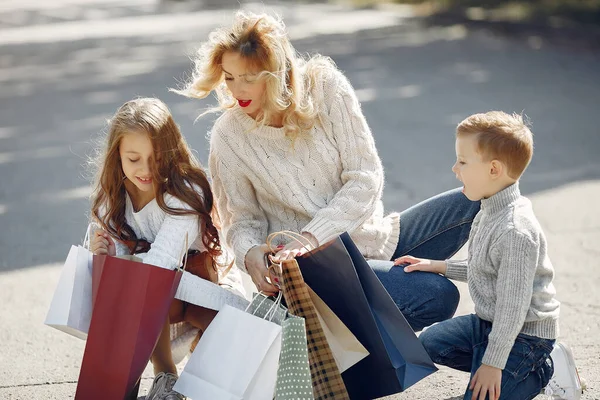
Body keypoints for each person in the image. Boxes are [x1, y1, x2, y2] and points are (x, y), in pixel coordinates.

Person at [175, 10, 480, 332]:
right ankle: (342, 336)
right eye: (229, 77)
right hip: (309, 270)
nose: (237, 90)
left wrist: (313, 236)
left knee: (475, 198)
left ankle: (511, 333)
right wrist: (250, 252)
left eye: (249, 78)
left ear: (276, 72)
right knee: (438, 295)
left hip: (368, 239)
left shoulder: (325, 86)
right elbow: (241, 219)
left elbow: (365, 175)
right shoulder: (229, 134)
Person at [399, 111, 581, 400]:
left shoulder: (515, 231)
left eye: (462, 161)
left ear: (493, 170)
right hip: (490, 323)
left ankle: (542, 369)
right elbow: (487, 268)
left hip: (526, 335)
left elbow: (512, 308)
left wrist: (492, 364)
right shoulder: (489, 208)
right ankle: (512, 373)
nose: (454, 169)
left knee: (483, 392)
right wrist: (439, 266)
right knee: (432, 343)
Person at [88, 97, 243, 400]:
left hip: (204, 291)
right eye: (133, 159)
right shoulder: (113, 198)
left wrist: (124, 263)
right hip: (158, 300)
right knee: (130, 282)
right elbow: (121, 268)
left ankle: (175, 379)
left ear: (170, 152)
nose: (146, 170)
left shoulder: (184, 192)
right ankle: (152, 381)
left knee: (222, 380)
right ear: (116, 155)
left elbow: (161, 263)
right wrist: (105, 256)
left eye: (156, 159)